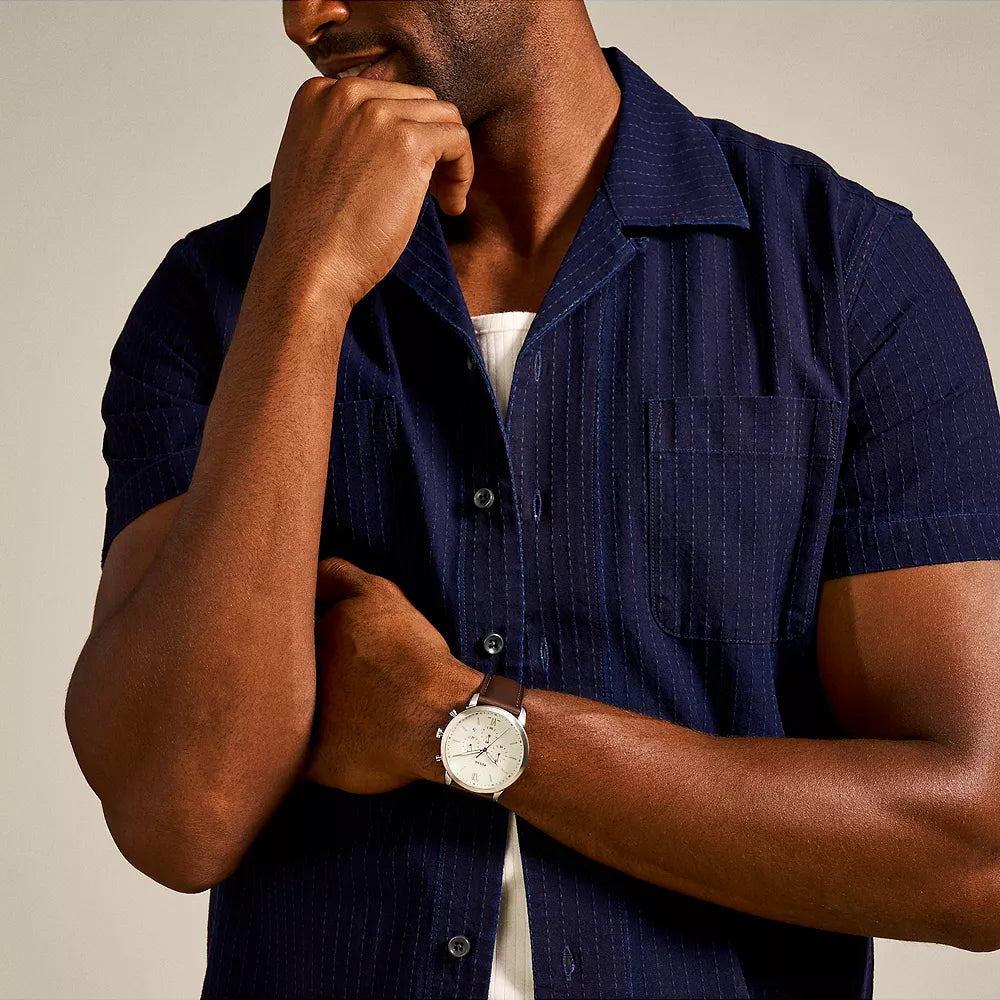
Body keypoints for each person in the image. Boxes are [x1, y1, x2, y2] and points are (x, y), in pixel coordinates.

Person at [65, 2, 1000, 998]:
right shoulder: (219, 300)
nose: (306, 14)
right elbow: (181, 814)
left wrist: (453, 722)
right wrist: (305, 284)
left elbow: (974, 856)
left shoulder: (841, 273)